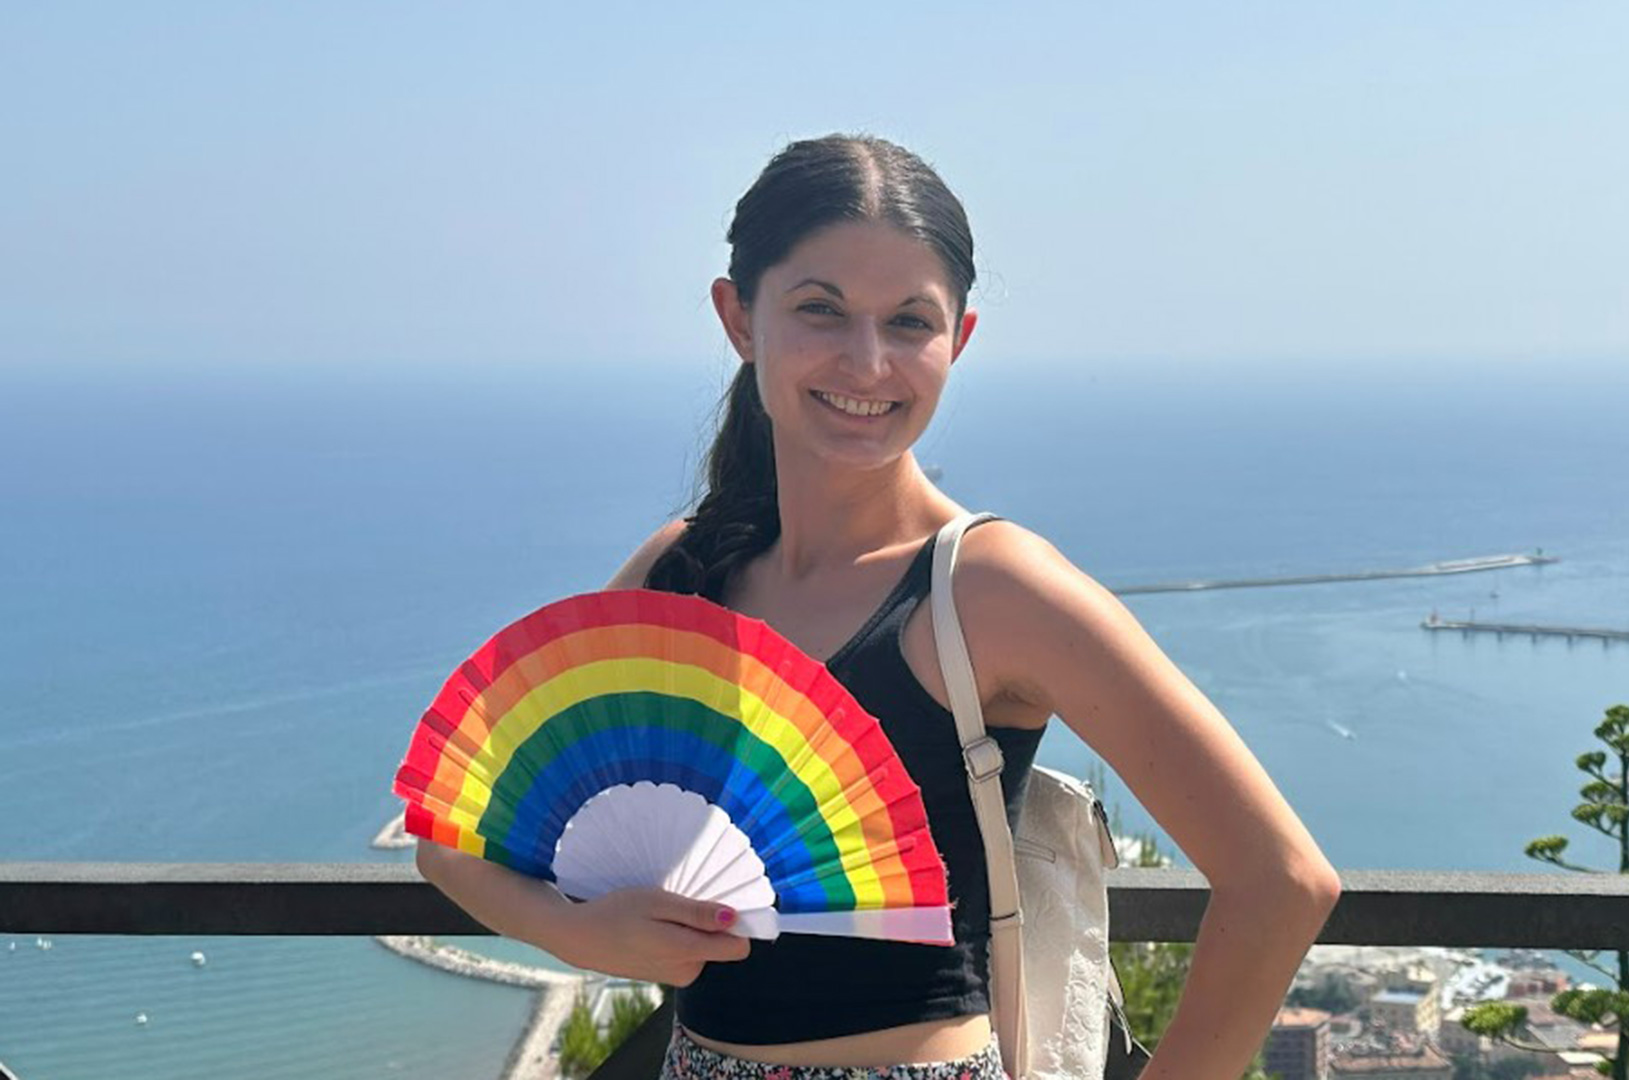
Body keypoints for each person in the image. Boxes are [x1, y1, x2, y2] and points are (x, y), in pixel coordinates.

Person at [415, 133, 1342, 1080]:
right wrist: (584, 936)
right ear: (739, 318)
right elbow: (452, 835)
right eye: (821, 310)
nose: (867, 363)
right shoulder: (683, 575)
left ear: (960, 340)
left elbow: (1282, 881)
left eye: (909, 322)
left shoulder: (993, 588)